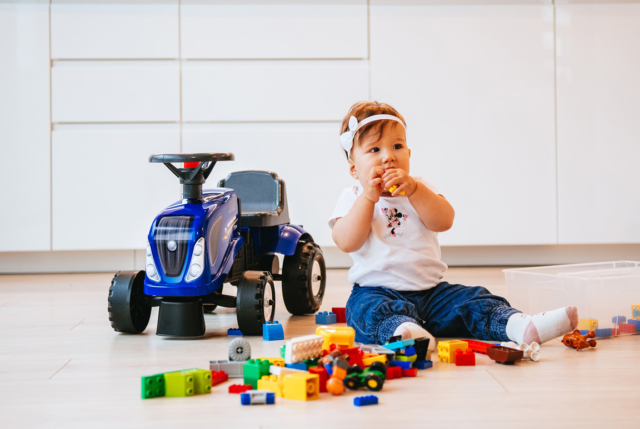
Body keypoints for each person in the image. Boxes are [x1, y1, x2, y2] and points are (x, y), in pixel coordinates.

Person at [329, 101, 577, 348]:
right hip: (376, 291)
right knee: (366, 311)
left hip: (433, 293)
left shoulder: (418, 188)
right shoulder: (353, 197)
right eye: (374, 150)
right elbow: (346, 241)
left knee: (474, 300)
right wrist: (368, 198)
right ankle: (404, 331)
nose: (388, 157)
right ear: (354, 169)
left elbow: (444, 221)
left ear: (409, 154)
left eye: (397, 146)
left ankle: (519, 325)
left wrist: (415, 191)